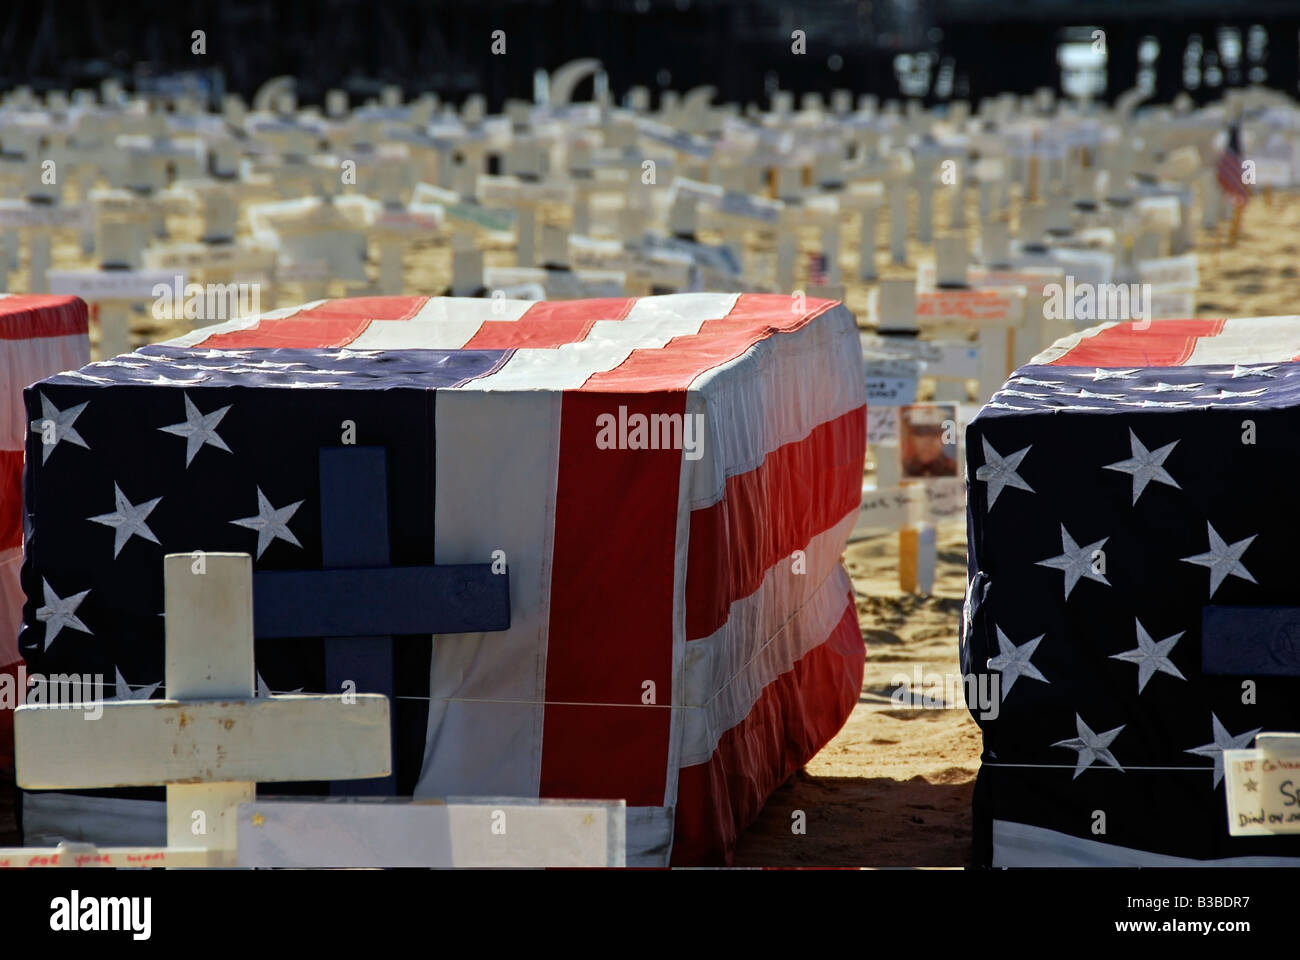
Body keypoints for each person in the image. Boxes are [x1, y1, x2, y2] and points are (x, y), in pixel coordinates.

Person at [901, 404, 957, 478]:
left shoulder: (954, 469)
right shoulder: (903, 469)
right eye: (920, 433)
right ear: (911, 437)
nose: (927, 441)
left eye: (935, 433)